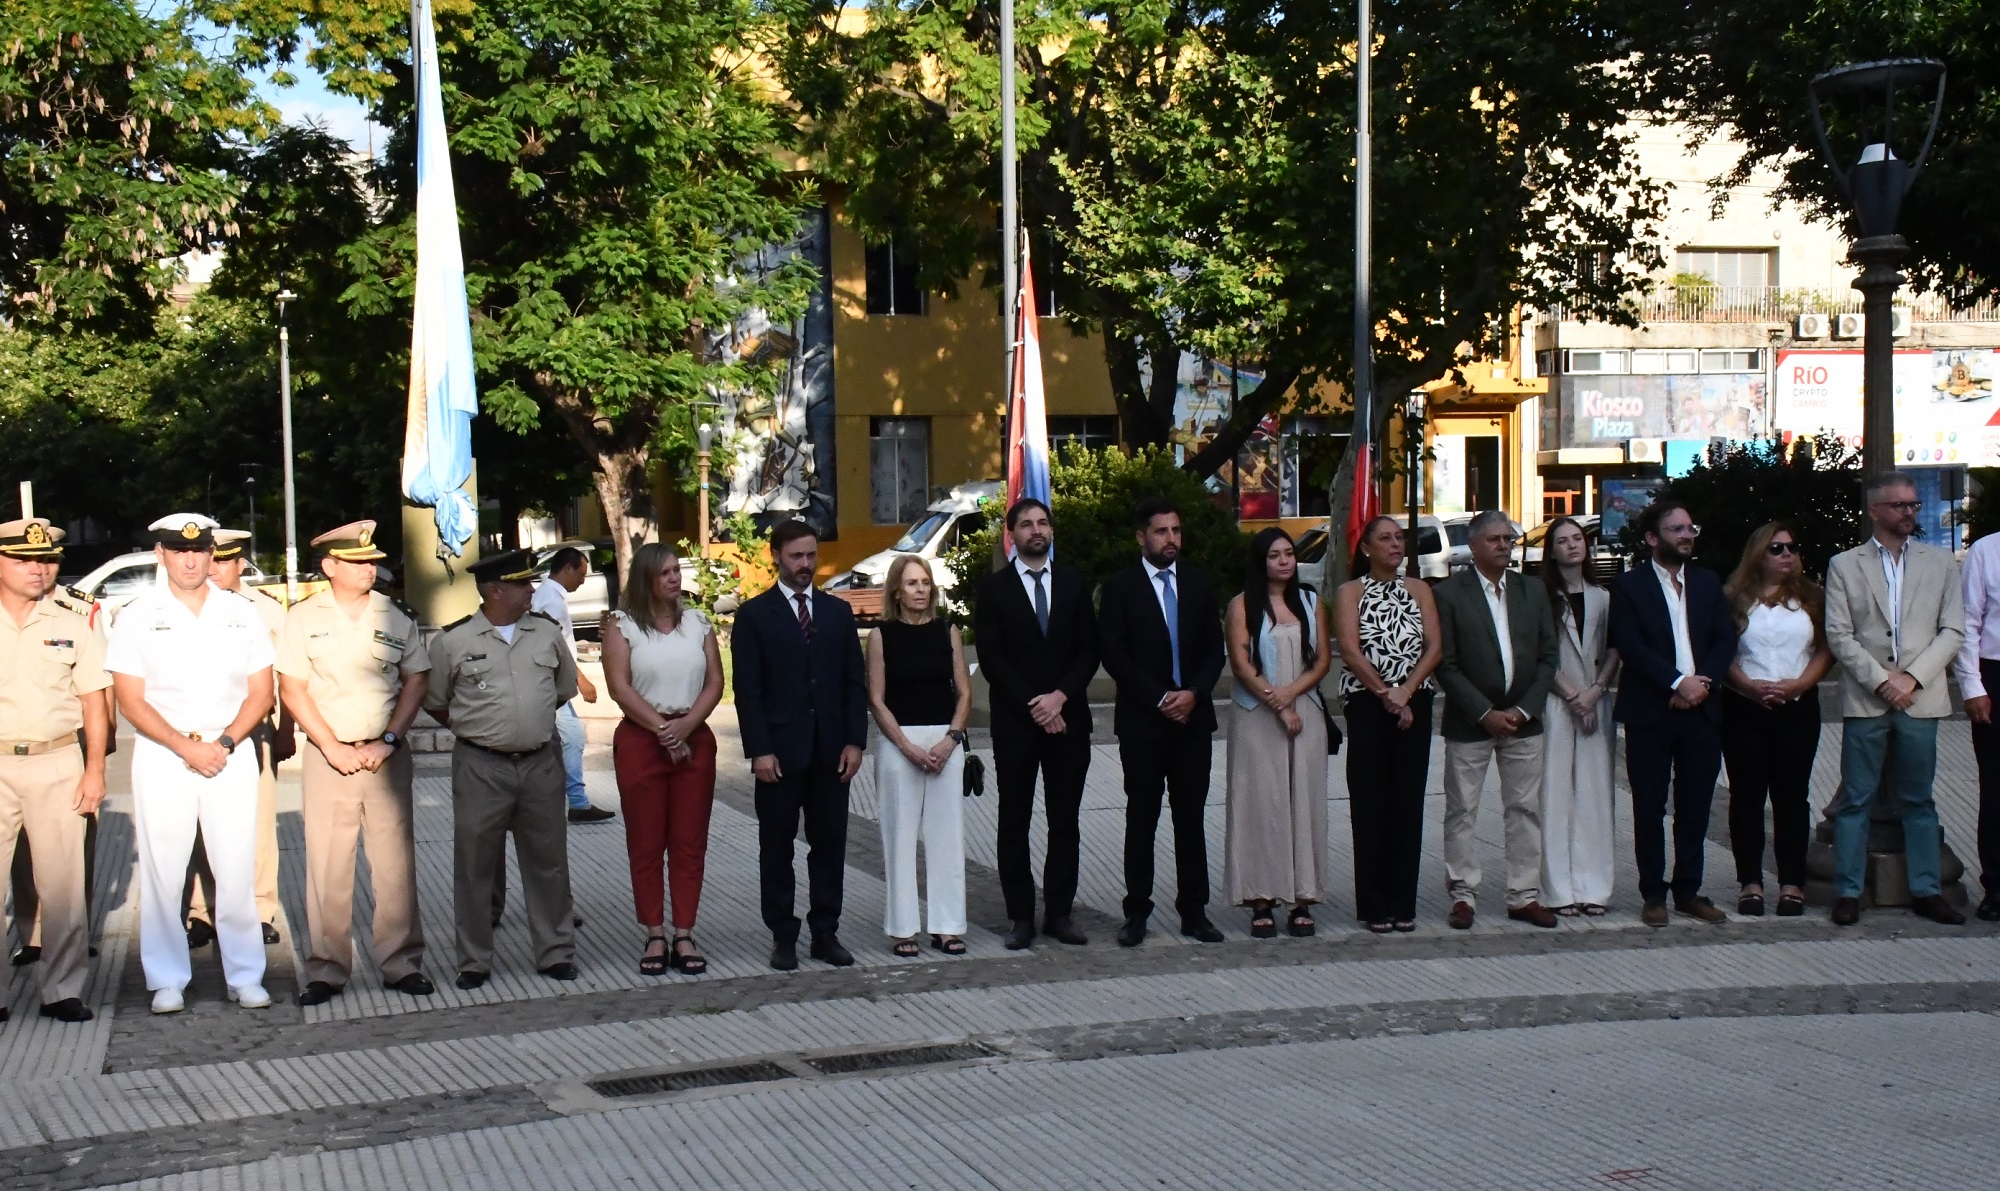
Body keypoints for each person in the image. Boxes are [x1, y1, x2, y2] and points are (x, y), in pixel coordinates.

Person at [106, 513, 275, 1013]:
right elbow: (130, 700)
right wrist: (186, 746)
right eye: (179, 551)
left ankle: (245, 974)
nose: (190, 559)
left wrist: (221, 744)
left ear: (211, 555)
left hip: (228, 752)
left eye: (199, 551)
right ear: (160, 554)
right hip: (165, 756)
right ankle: (166, 978)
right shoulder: (137, 615)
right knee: (164, 869)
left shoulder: (241, 612)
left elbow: (261, 692)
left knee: (236, 866)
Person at [276, 521, 435, 1005]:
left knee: (394, 865)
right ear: (329, 566)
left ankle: (401, 962)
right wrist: (330, 746)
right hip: (331, 755)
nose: (370, 568)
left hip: (384, 756)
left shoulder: (394, 614)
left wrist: (390, 738)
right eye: (358, 562)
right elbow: (293, 688)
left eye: (371, 561)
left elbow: (416, 679)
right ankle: (327, 968)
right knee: (328, 864)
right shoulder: (302, 617)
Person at [425, 549, 580, 988]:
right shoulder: (454, 641)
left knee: (548, 862)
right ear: (496, 591)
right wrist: (483, 730)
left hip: (539, 763)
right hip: (480, 765)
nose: (532, 589)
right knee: (475, 864)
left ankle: (555, 952)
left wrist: (523, 724)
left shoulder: (546, 634)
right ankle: (474, 960)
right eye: (522, 584)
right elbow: (436, 701)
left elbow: (563, 688)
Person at [1823, 471, 1966, 927]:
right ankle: (1848, 890)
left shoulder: (1940, 563)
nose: (1909, 512)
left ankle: (1926, 889)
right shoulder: (1845, 564)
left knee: (1918, 798)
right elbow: (1839, 634)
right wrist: (1882, 679)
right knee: (1857, 798)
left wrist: (1914, 678)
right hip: (1868, 698)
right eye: (1899, 505)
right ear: (1874, 510)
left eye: (1912, 505)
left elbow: (1953, 630)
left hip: (1921, 699)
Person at [732, 520, 867, 971]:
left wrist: (855, 740)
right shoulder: (754, 617)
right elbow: (747, 691)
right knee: (777, 847)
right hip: (780, 753)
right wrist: (760, 750)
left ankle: (825, 932)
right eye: (796, 557)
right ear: (776, 556)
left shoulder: (836, 613)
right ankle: (783, 934)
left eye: (811, 555)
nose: (806, 564)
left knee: (829, 845)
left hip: (831, 751)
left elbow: (852, 680)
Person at [1099, 497, 1227, 947]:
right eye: (1161, 532)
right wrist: (1158, 698)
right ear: (1141, 537)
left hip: (1193, 721)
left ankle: (1195, 911)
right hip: (1143, 724)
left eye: (1176, 530)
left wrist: (1194, 693)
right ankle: (1137, 912)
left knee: (1190, 818)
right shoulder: (1119, 588)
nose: (1171, 539)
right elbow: (1114, 653)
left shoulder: (1198, 582)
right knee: (1143, 817)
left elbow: (1215, 647)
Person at [974, 498, 1100, 950]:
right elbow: (992, 657)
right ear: (1013, 535)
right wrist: (1036, 704)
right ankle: (1021, 917)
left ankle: (1060, 914)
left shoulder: (1073, 583)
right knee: (1015, 821)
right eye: (1026, 524)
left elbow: (1089, 649)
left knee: (1064, 821)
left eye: (1043, 522)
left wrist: (1059, 698)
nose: (1036, 530)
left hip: (1068, 721)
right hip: (1018, 724)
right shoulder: (994, 590)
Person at [1608, 498, 1737, 927]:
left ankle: (1688, 889)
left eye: (1690, 528)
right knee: (1649, 806)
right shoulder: (1629, 587)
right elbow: (1631, 645)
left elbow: (1724, 639)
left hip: (1701, 709)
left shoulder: (1706, 581)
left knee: (1696, 803)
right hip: (1652, 711)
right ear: (1652, 538)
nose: (1687, 536)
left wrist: (1701, 683)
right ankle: (1653, 893)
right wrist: (1676, 681)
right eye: (1677, 529)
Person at [0, 518, 109, 1022]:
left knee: (63, 884)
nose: (38, 569)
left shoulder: (72, 621)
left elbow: (94, 702)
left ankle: (62, 988)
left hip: (58, 759)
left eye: (46, 560)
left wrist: (94, 772)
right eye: (24, 559)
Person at [1432, 509, 1561, 929]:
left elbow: (1547, 656)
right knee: (1462, 809)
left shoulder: (1532, 591)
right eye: (1495, 539)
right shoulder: (1449, 594)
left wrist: (1523, 709)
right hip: (1471, 721)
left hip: (1524, 720)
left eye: (1508, 538)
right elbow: (1445, 664)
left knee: (1524, 809)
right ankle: (1463, 893)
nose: (1504, 545)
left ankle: (1523, 894)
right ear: (1473, 546)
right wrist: (1484, 713)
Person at [603, 543, 723, 976]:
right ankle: (654, 932)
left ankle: (684, 932)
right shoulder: (622, 625)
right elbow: (620, 687)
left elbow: (715, 682)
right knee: (647, 842)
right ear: (646, 579)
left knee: (690, 842)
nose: (675, 578)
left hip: (693, 738)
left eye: (677, 570)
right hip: (642, 741)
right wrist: (664, 731)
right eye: (665, 572)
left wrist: (685, 727)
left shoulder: (698, 623)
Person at [1720, 522, 1833, 918]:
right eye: (1776, 549)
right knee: (1746, 796)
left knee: (1791, 797)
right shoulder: (1733, 598)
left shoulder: (1812, 597)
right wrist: (1749, 687)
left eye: (1792, 547)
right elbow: (1721, 652)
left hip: (1797, 707)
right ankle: (1750, 881)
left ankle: (1791, 883)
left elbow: (1825, 649)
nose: (1787, 554)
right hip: (1744, 706)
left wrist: (1799, 684)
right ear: (1758, 554)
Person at [1224, 527, 1332, 938]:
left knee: (1303, 800)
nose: (1284, 561)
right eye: (1275, 555)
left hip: (1304, 709)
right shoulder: (1241, 605)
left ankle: (1302, 897)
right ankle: (1261, 898)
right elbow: (1240, 663)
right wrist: (1276, 703)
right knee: (1261, 804)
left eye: (1289, 553)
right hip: (1256, 714)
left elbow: (1321, 660)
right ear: (1260, 561)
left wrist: (1289, 699)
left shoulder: (1309, 601)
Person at [1335, 516, 1441, 933]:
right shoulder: (1350, 592)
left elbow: (1434, 647)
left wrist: (1406, 693)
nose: (1395, 545)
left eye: (1399, 538)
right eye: (1385, 538)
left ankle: (1403, 904)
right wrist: (1386, 695)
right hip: (1367, 703)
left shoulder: (1419, 590)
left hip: (1414, 700)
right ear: (1366, 548)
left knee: (1407, 802)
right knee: (1370, 802)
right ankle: (1374, 905)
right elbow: (1350, 649)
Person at [183, 528, 285, 949]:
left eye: (224, 560)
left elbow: (285, 674)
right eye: (211, 558)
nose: (215, 568)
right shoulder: (186, 608)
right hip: (198, 733)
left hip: (253, 729)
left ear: (241, 563)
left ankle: (259, 909)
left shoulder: (265, 609)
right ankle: (200, 912)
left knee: (258, 825)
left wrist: (287, 731)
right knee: (196, 827)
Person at [865, 554, 972, 957]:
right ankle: (903, 927)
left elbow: (964, 691)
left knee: (947, 838)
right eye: (911, 583)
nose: (920, 590)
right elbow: (875, 698)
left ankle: (947, 926)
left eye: (925, 582)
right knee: (900, 837)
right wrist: (906, 747)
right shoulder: (881, 635)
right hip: (899, 744)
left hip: (944, 742)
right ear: (896, 589)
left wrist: (952, 738)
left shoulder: (948, 631)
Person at [1538, 517, 1620, 916]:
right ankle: (1557, 890)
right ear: (1550, 550)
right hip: (1556, 702)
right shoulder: (1541, 598)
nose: (1572, 546)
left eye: (1577, 539)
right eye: (1562, 541)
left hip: (1595, 700)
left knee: (1595, 794)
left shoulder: (1603, 597)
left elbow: (1614, 650)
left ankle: (1594, 888)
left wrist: (1595, 692)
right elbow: (1540, 655)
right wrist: (1573, 696)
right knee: (1553, 795)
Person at [533, 547, 615, 824]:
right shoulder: (551, 601)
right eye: (581, 574)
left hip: (553, 683)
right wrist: (581, 679)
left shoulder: (549, 595)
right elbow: (555, 647)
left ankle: (571, 801)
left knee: (562, 740)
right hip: (551, 684)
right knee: (571, 738)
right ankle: (575, 803)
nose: (583, 581)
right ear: (567, 569)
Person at [1953, 518, 2000, 921]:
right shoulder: (1987, 551)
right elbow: (1968, 622)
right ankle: (1997, 885)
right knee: (1996, 786)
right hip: (1996, 674)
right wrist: (1972, 686)